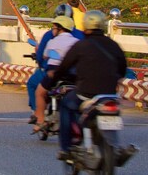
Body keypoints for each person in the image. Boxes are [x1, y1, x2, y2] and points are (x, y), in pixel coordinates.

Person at [52, 10, 135, 163]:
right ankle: (116, 149)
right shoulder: (113, 45)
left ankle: (65, 148)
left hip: (86, 93)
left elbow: (64, 67)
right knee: (112, 114)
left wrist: (53, 79)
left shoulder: (81, 45)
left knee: (65, 105)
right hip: (109, 95)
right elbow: (123, 68)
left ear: (85, 26)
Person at [27, 2, 84, 124]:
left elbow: (42, 57)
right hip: (77, 74)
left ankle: (37, 115)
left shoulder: (50, 35)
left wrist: (41, 61)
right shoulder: (80, 35)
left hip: (54, 72)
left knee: (33, 84)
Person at [33, 16, 79, 130]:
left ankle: (40, 121)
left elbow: (44, 56)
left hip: (55, 73)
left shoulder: (53, 41)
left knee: (40, 92)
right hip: (74, 75)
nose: (52, 30)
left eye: (54, 27)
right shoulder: (77, 42)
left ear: (60, 28)